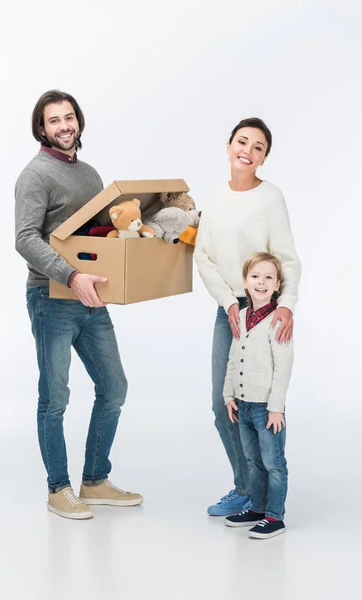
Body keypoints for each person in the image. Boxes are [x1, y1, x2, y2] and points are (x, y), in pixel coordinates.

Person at [15, 90, 142, 520]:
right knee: (55, 397)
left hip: (91, 297)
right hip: (52, 297)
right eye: (54, 121)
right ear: (41, 128)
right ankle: (58, 489)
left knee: (114, 387)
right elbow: (26, 238)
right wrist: (70, 275)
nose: (64, 126)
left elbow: (96, 233)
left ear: (79, 122)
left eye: (69, 117)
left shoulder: (89, 174)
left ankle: (94, 480)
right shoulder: (34, 176)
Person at [194, 118, 301, 517]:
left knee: (262, 402)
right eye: (242, 142)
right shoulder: (215, 197)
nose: (248, 150)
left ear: (264, 157)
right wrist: (228, 301)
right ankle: (245, 487)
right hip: (231, 310)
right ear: (228, 146)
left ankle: (264, 497)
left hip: (267, 308)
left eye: (258, 147)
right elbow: (202, 256)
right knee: (224, 403)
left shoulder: (271, 199)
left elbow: (288, 257)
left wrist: (287, 303)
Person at [223, 252, 292, 538]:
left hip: (266, 407)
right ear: (244, 282)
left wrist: (276, 407)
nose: (261, 282)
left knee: (273, 463)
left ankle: (275, 517)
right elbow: (233, 356)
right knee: (253, 461)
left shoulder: (278, 320)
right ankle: (258, 507)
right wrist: (229, 394)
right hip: (243, 404)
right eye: (255, 277)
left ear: (277, 285)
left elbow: (284, 365)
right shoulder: (240, 315)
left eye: (268, 278)